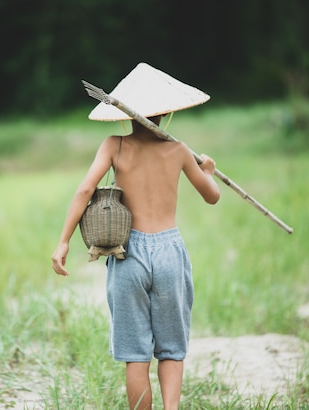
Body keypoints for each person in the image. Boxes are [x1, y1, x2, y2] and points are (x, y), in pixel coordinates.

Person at [51, 63, 220, 410]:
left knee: (135, 353)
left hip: (129, 252)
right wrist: (207, 171)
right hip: (169, 251)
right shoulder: (178, 150)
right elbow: (212, 195)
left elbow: (86, 189)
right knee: (172, 349)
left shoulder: (115, 146)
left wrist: (64, 240)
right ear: (165, 114)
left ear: (126, 114)